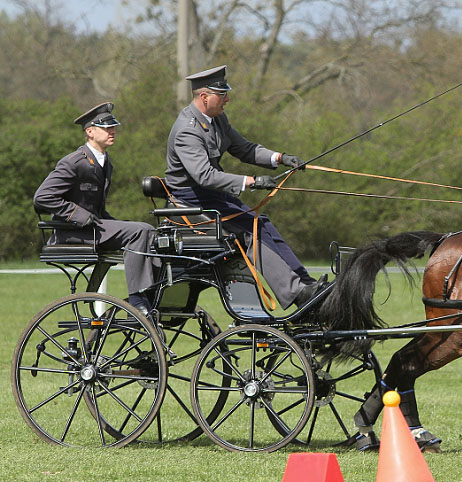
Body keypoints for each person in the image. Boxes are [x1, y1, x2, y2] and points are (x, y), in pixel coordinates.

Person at [165, 65, 323, 310]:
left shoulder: (217, 120)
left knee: (263, 223)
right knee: (251, 232)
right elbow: (204, 176)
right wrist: (251, 181)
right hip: (190, 204)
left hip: (212, 198)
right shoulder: (187, 130)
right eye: (222, 94)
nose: (227, 99)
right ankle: (296, 295)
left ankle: (306, 284)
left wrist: (280, 158)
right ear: (204, 97)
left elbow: (245, 149)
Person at [34, 102, 157, 314]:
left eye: (113, 127)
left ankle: (151, 294)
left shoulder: (105, 162)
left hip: (92, 228)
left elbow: (97, 209)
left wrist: (115, 224)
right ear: (90, 132)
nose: (113, 131)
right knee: (141, 230)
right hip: (73, 232)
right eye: (106, 128)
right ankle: (138, 299)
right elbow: (42, 197)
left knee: (152, 233)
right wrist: (78, 215)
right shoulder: (74, 162)